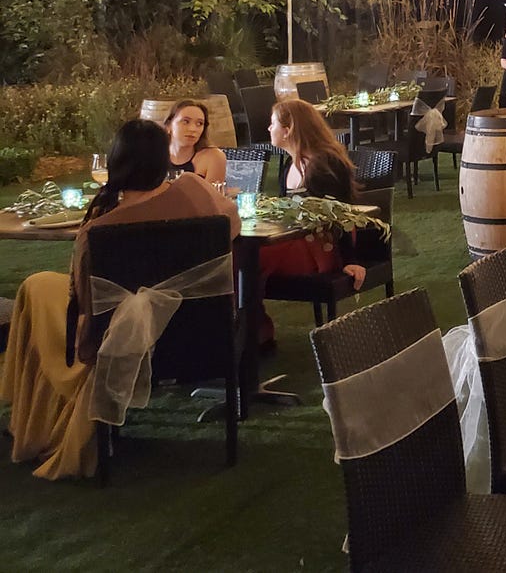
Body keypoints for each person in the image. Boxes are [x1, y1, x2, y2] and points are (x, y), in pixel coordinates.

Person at [0, 120, 238, 480]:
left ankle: (35, 414)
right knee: (40, 286)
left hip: (115, 342)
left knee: (36, 288)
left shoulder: (101, 229)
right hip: (199, 334)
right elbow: (231, 226)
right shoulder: (196, 190)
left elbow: (82, 298)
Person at [259, 100, 366, 342]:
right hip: (293, 240)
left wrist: (350, 260)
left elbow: (341, 214)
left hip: (322, 246)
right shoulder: (290, 163)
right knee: (240, 257)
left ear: (288, 130)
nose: (268, 128)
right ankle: (253, 327)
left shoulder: (324, 164)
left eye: (272, 123)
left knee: (250, 259)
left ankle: (255, 332)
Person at [164, 99, 228, 185]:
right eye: (186, 121)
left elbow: (213, 197)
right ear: (169, 125)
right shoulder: (153, 155)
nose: (193, 129)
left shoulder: (213, 157)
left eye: (199, 123)